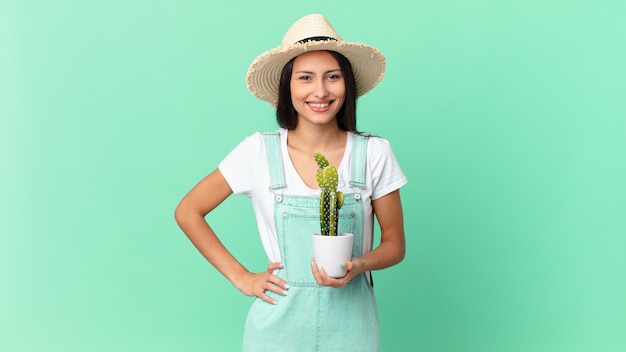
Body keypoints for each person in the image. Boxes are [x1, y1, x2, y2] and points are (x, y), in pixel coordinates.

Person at [175, 14, 407, 351]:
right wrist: (241, 277)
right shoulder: (257, 151)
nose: (320, 91)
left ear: (347, 85)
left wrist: (358, 265)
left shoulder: (374, 152)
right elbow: (188, 211)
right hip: (276, 329)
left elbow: (395, 245)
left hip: (353, 327)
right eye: (305, 78)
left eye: (333, 77)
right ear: (288, 86)